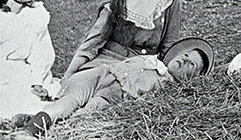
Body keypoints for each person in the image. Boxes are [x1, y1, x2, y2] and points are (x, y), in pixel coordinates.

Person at [10, 38, 213, 140]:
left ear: (192, 78)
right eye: (186, 56)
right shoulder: (153, 59)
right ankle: (30, 129)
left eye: (191, 65)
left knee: (82, 116)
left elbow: (147, 105)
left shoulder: (168, 88)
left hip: (112, 96)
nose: (184, 60)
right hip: (101, 75)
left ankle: (40, 128)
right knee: (68, 101)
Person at [0, 0, 60, 121]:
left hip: (29, 75)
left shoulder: (35, 16)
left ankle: (29, 118)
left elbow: (42, 56)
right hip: (4, 76)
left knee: (40, 98)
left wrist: (39, 83)